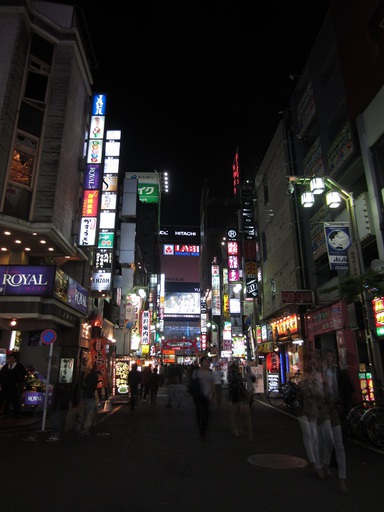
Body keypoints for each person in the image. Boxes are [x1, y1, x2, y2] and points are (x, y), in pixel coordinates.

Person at [227, 360, 253, 441]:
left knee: (234, 413)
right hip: (240, 395)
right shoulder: (238, 375)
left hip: (233, 395)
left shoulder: (230, 375)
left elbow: (231, 384)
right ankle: (248, 433)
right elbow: (241, 384)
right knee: (244, 415)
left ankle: (236, 429)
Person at [192, 356, 215, 440]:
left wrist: (211, 394)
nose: (206, 363)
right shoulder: (196, 372)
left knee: (206, 414)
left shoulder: (210, 373)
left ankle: (204, 429)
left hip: (207, 395)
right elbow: (193, 383)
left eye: (207, 362)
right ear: (201, 363)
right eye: (205, 362)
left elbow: (213, 384)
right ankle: (201, 430)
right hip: (199, 395)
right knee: (199, 413)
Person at [0, 352, 26, 418]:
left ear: (15, 359)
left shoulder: (19, 366)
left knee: (14, 400)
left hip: (13, 385)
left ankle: (17, 413)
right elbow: (1, 374)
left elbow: (23, 375)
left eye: (12, 358)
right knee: (1, 398)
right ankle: (4, 411)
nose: (10, 360)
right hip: (5, 385)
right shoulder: (6, 366)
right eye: (9, 359)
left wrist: (18, 382)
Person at [77, 365, 100, 436]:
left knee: (83, 412)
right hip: (90, 396)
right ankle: (85, 428)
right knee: (90, 413)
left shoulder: (84, 376)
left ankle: (79, 427)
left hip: (84, 396)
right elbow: (94, 387)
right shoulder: (94, 377)